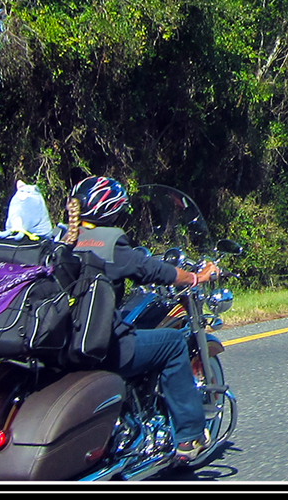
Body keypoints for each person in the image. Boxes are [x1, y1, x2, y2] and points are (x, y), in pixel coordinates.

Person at [66, 175, 220, 465]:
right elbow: (153, 270)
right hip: (101, 349)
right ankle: (190, 436)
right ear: (112, 211)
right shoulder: (110, 244)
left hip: (62, 345)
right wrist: (196, 276)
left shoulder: (59, 238)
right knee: (173, 344)